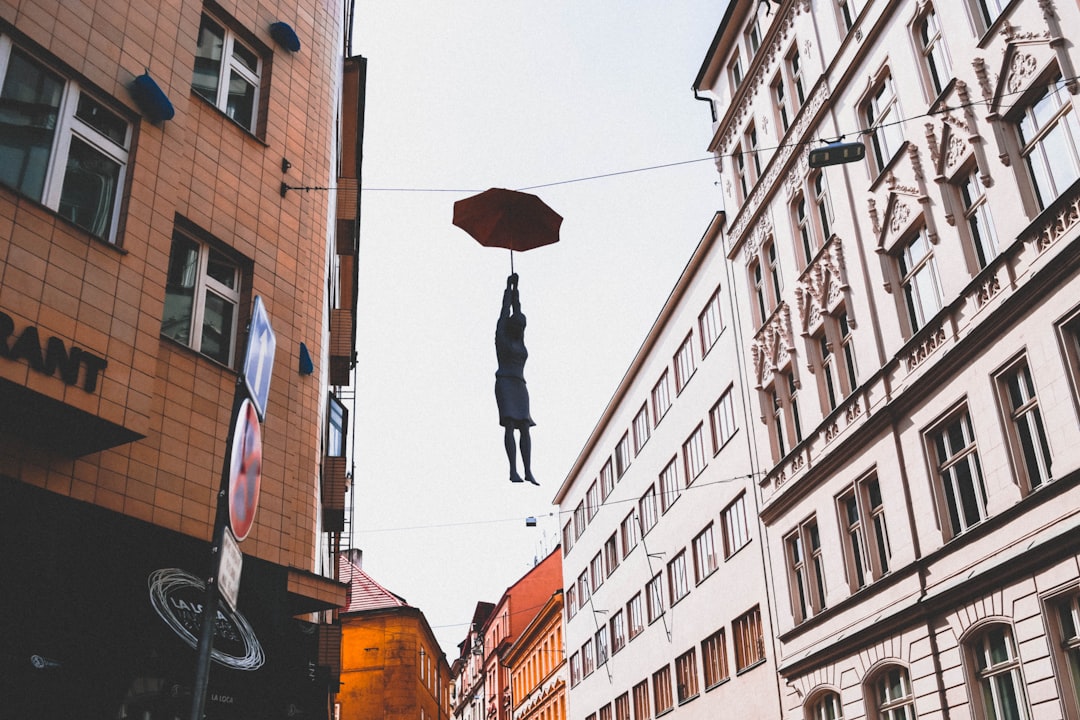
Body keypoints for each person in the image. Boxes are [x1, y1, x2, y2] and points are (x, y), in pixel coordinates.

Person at [495, 273, 538, 485]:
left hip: (520, 385)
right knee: (511, 424)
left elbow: (518, 311)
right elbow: (506, 312)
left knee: (525, 426)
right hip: (505, 382)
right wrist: (508, 290)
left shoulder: (520, 339)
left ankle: (528, 470)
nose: (522, 329)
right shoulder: (502, 337)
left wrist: (517, 290)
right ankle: (513, 470)